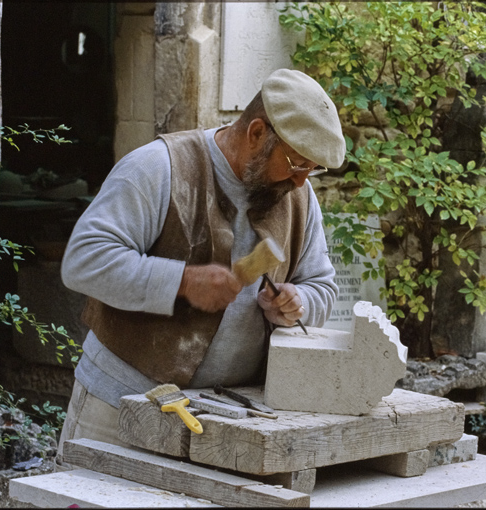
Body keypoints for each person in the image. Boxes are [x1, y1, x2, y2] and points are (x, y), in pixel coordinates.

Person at [56, 69, 343, 460]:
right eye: (296, 163)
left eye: (312, 168)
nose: (300, 181)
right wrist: (182, 281)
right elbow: (84, 261)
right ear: (256, 133)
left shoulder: (300, 196)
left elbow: (322, 286)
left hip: (225, 415)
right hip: (119, 402)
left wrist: (299, 302)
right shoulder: (160, 166)